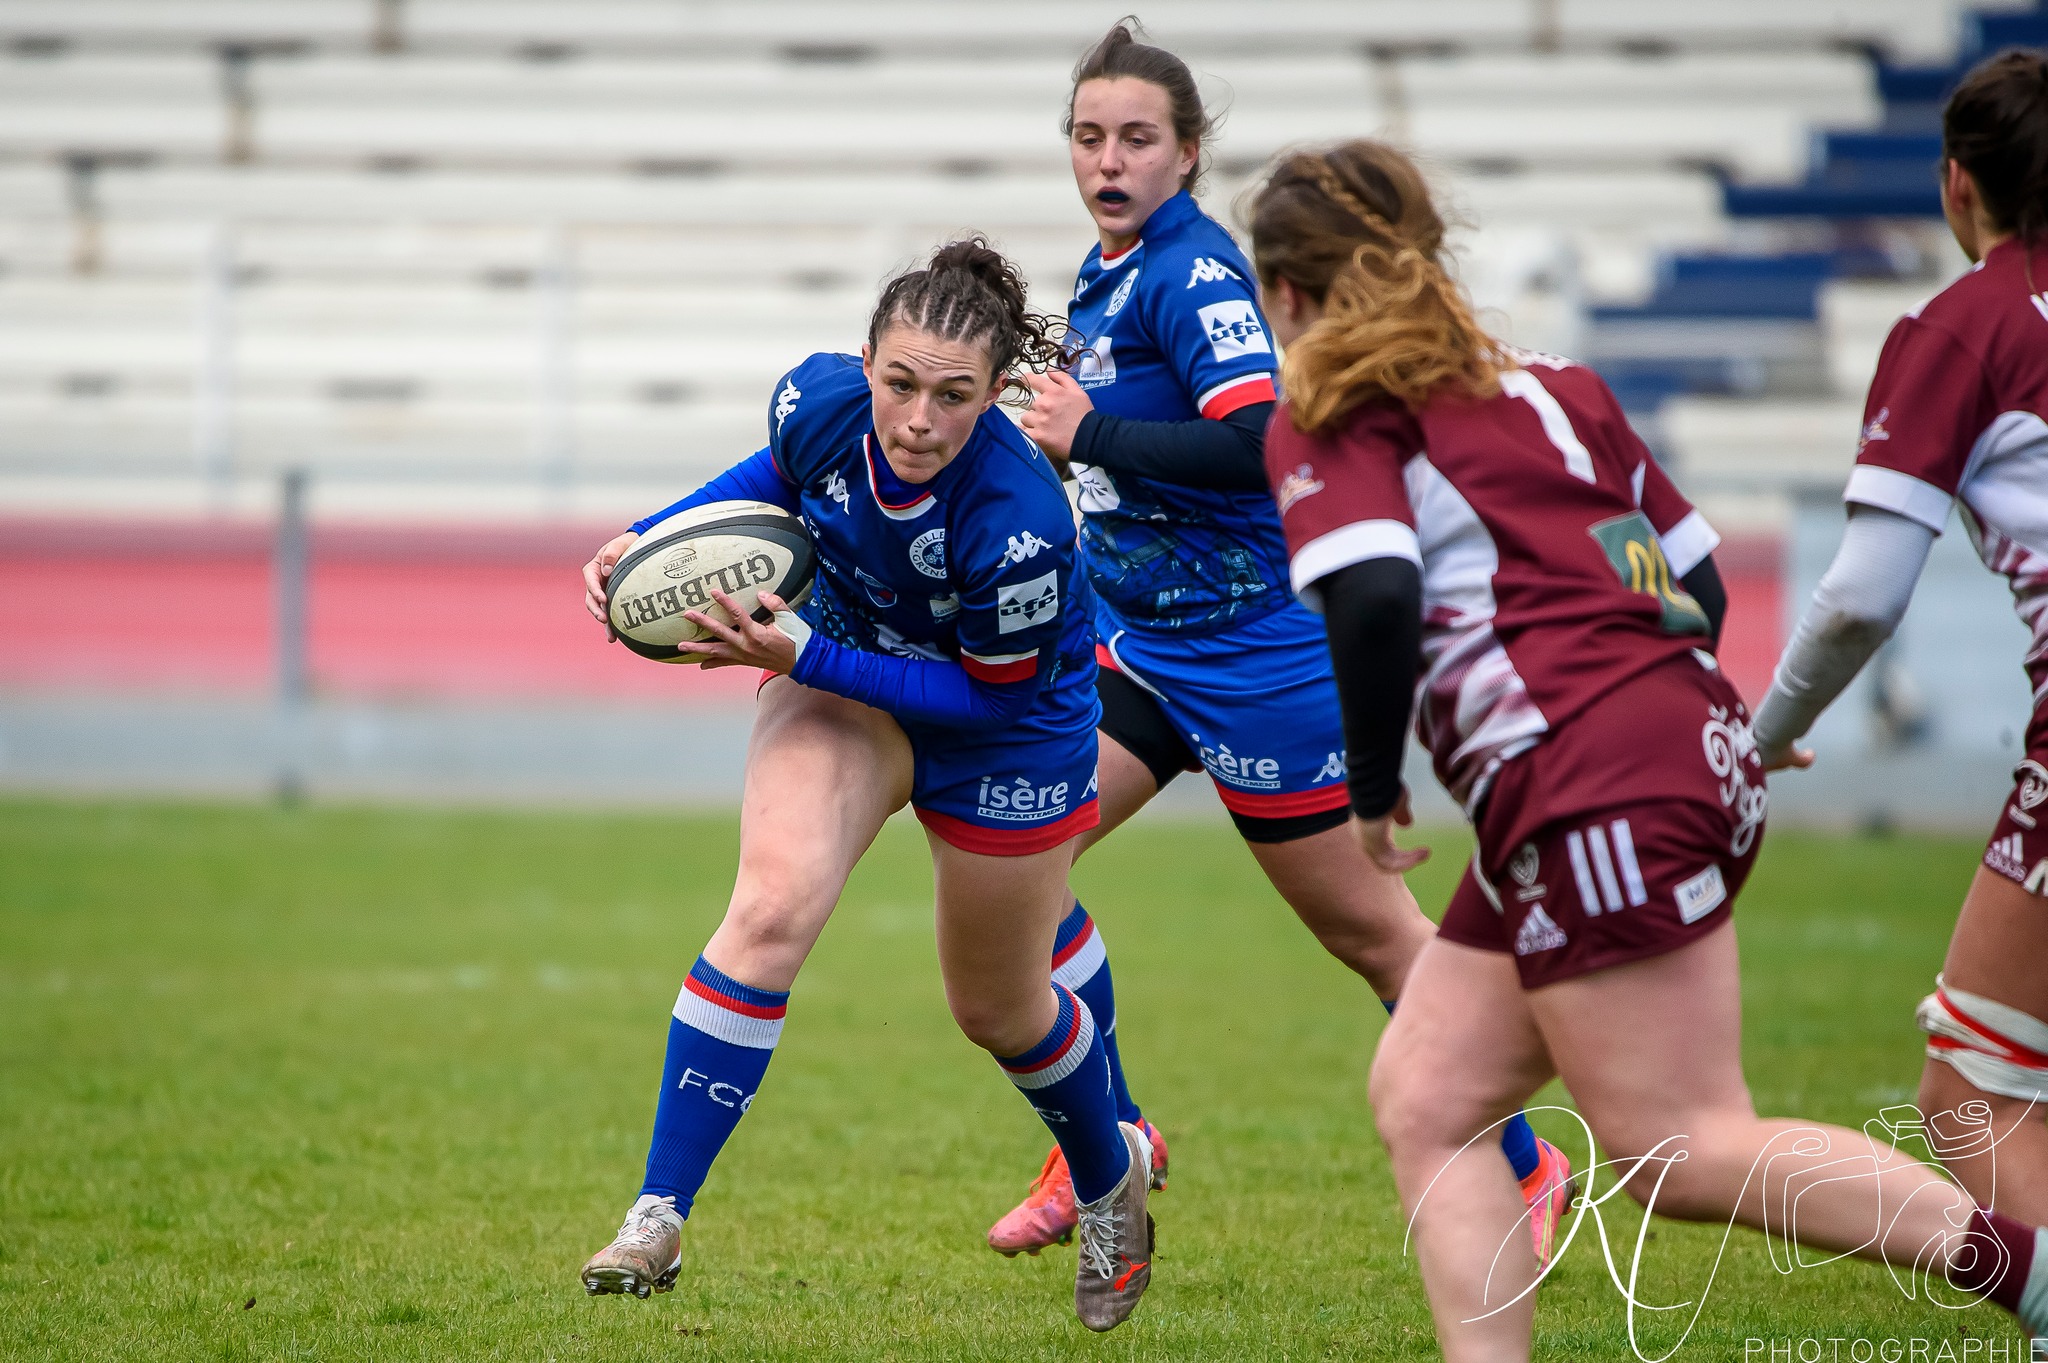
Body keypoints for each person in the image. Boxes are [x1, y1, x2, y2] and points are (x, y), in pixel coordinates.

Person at [1248, 136, 2048, 1360]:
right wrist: (1683, 727)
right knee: (1430, 1092)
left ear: (1289, 295)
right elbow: (1692, 578)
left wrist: (1369, 792)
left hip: (1585, 788)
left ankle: (2028, 1270)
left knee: (1674, 1147)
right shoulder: (1553, 385)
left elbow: (1371, 597)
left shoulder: (1328, 410)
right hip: (1660, 756)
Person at [984, 17, 1576, 1264]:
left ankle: (1528, 1163)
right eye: (1088, 137)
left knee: (1372, 938)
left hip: (1259, 660)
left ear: (1187, 154)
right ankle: (1114, 1131)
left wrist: (1086, 435)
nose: (1109, 159)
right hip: (1141, 646)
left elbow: (1267, 443)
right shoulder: (1110, 269)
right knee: (1006, 847)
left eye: (1136, 138)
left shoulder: (1194, 275)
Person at [573, 240, 1155, 1333]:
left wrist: (802, 657)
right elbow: (776, 477)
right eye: (898, 384)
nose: (918, 420)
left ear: (991, 398)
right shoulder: (818, 399)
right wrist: (650, 539)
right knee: (770, 906)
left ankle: (1105, 1174)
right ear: (864, 362)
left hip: (1005, 734)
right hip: (841, 678)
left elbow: (987, 699)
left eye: (953, 396)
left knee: (996, 1006)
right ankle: (657, 1213)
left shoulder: (1019, 521)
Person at [1752, 49, 2048, 1223]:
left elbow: (1860, 596)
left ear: (1953, 187)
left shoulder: (1961, 328)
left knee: (1967, 1089)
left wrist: (1757, 734)